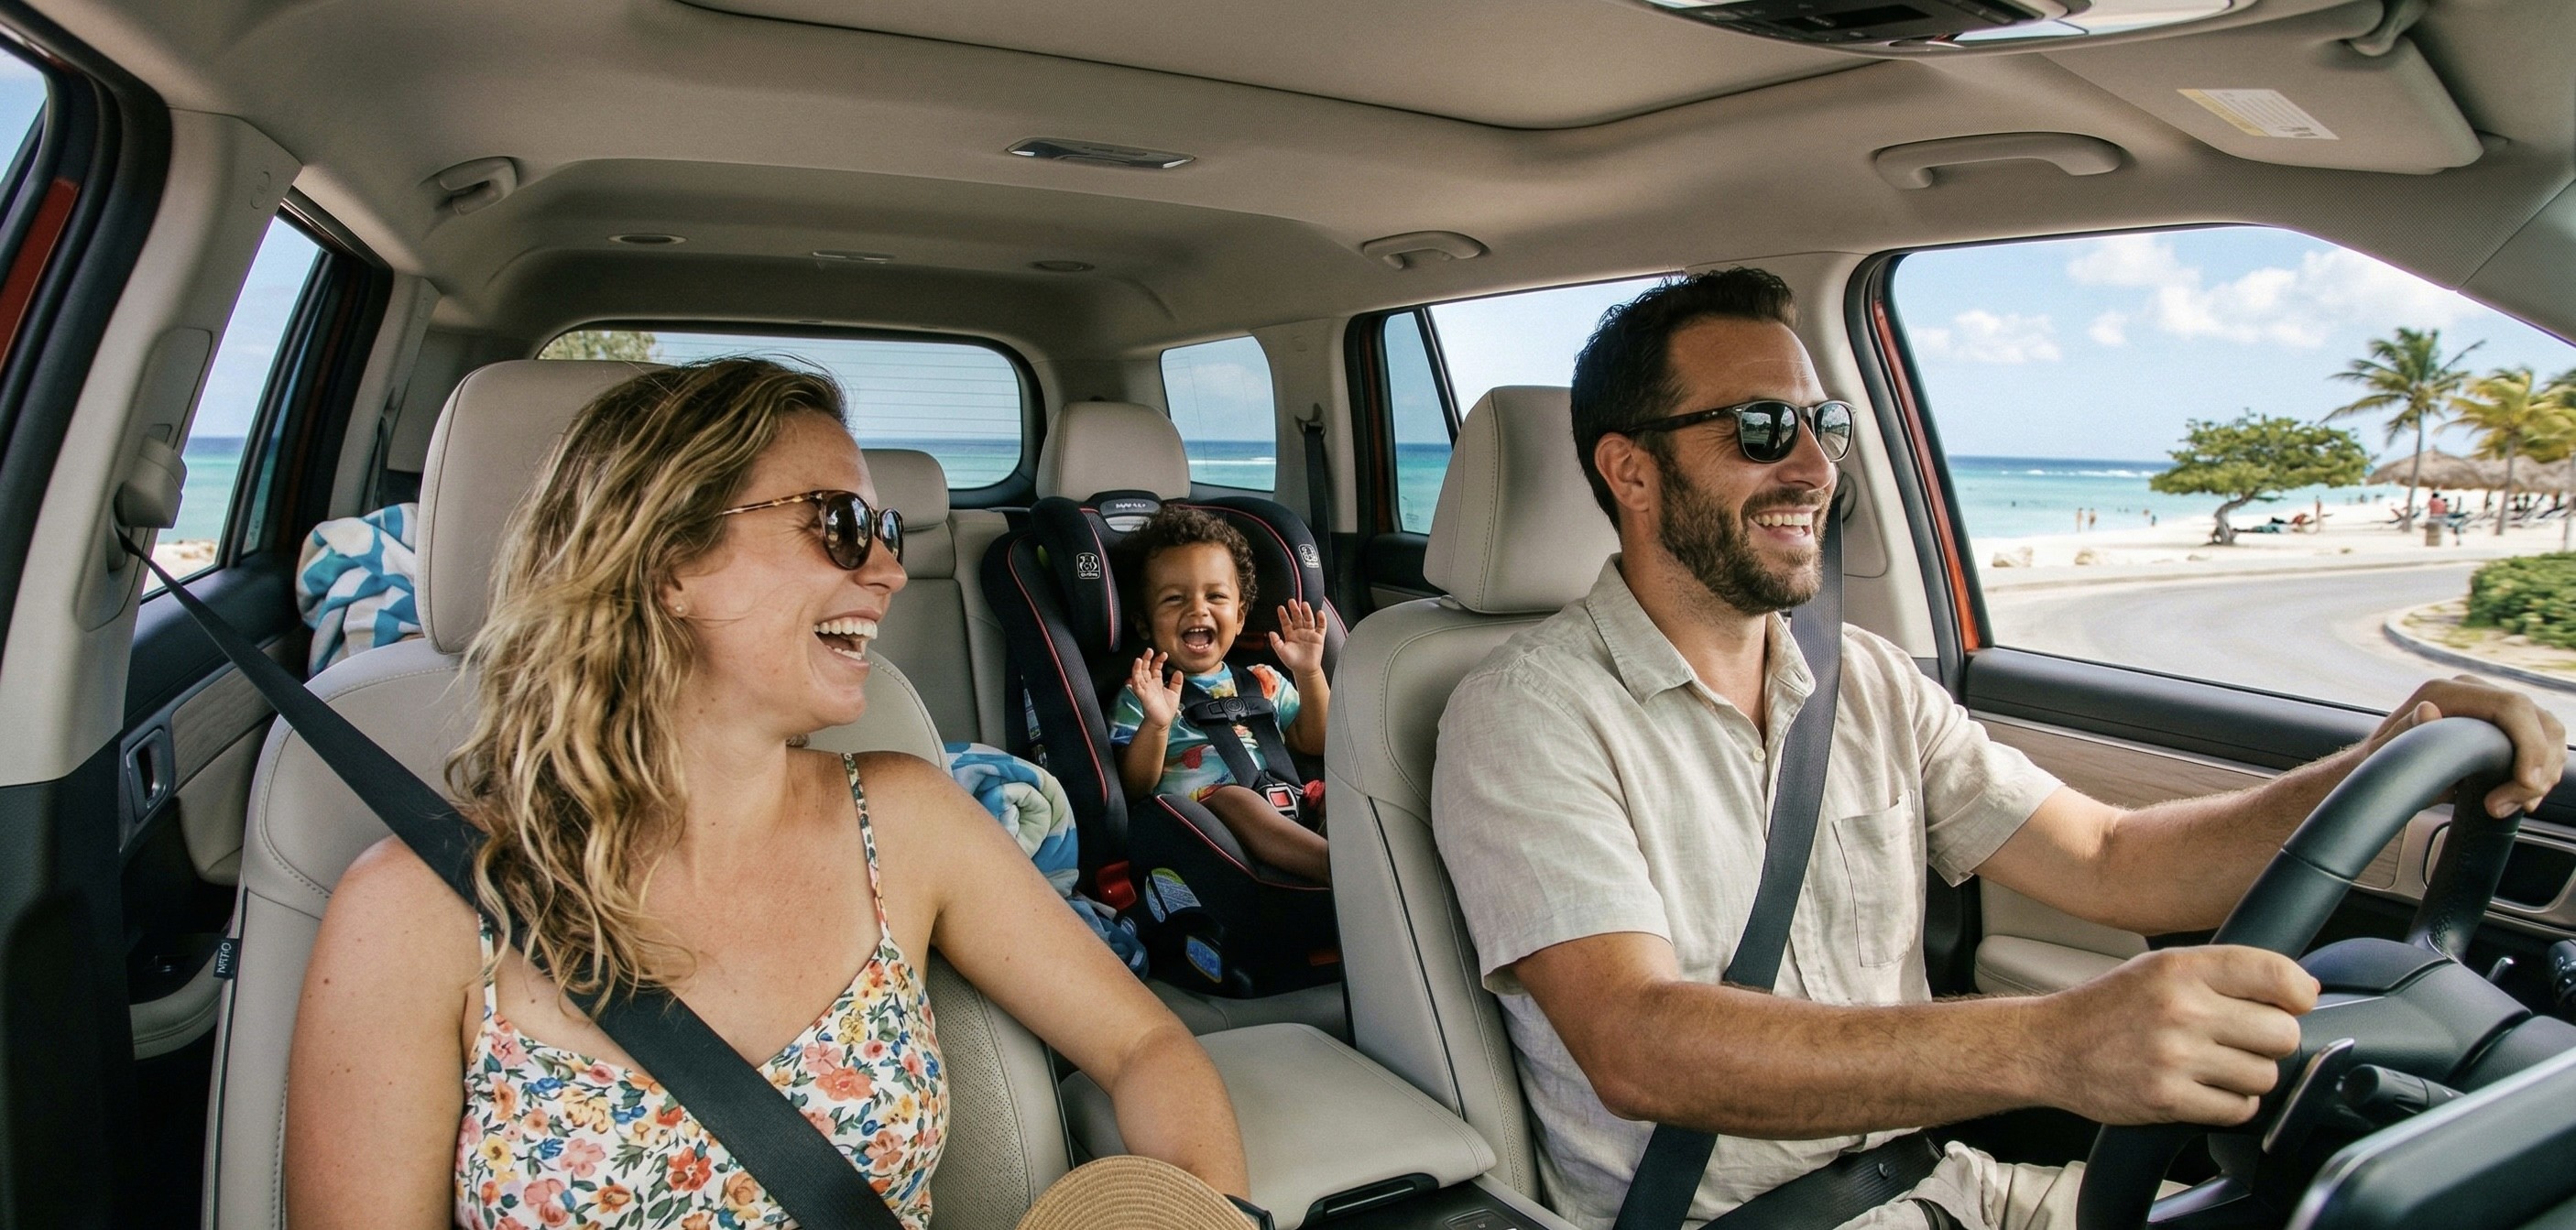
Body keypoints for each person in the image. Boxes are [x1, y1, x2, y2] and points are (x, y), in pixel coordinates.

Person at [1430, 269, 2564, 1230]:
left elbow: (2112, 856)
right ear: (1630, 471)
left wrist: (2381, 756)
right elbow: (1638, 1043)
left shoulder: (1861, 680)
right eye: (1761, 429)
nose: (1820, 469)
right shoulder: (1526, 715)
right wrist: (2054, 1043)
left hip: (1944, 1184)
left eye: (1823, 427)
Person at [286, 360, 1252, 1229]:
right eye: (839, 525)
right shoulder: (418, 910)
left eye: (881, 530)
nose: (886, 570)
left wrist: (1194, 1214)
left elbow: (1146, 1044)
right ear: (667, 557)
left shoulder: (907, 820)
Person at [1113, 507, 1333, 883]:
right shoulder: (1144, 693)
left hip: (1290, 808)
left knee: (1341, 793)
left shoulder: (1263, 680)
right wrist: (1158, 722)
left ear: (1241, 615)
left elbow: (1316, 741)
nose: (1198, 608)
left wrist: (1308, 671)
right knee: (1235, 799)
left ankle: (1364, 859)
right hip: (1209, 822)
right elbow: (1135, 785)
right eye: (1174, 599)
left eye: (1215, 596)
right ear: (1143, 623)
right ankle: (1334, 868)